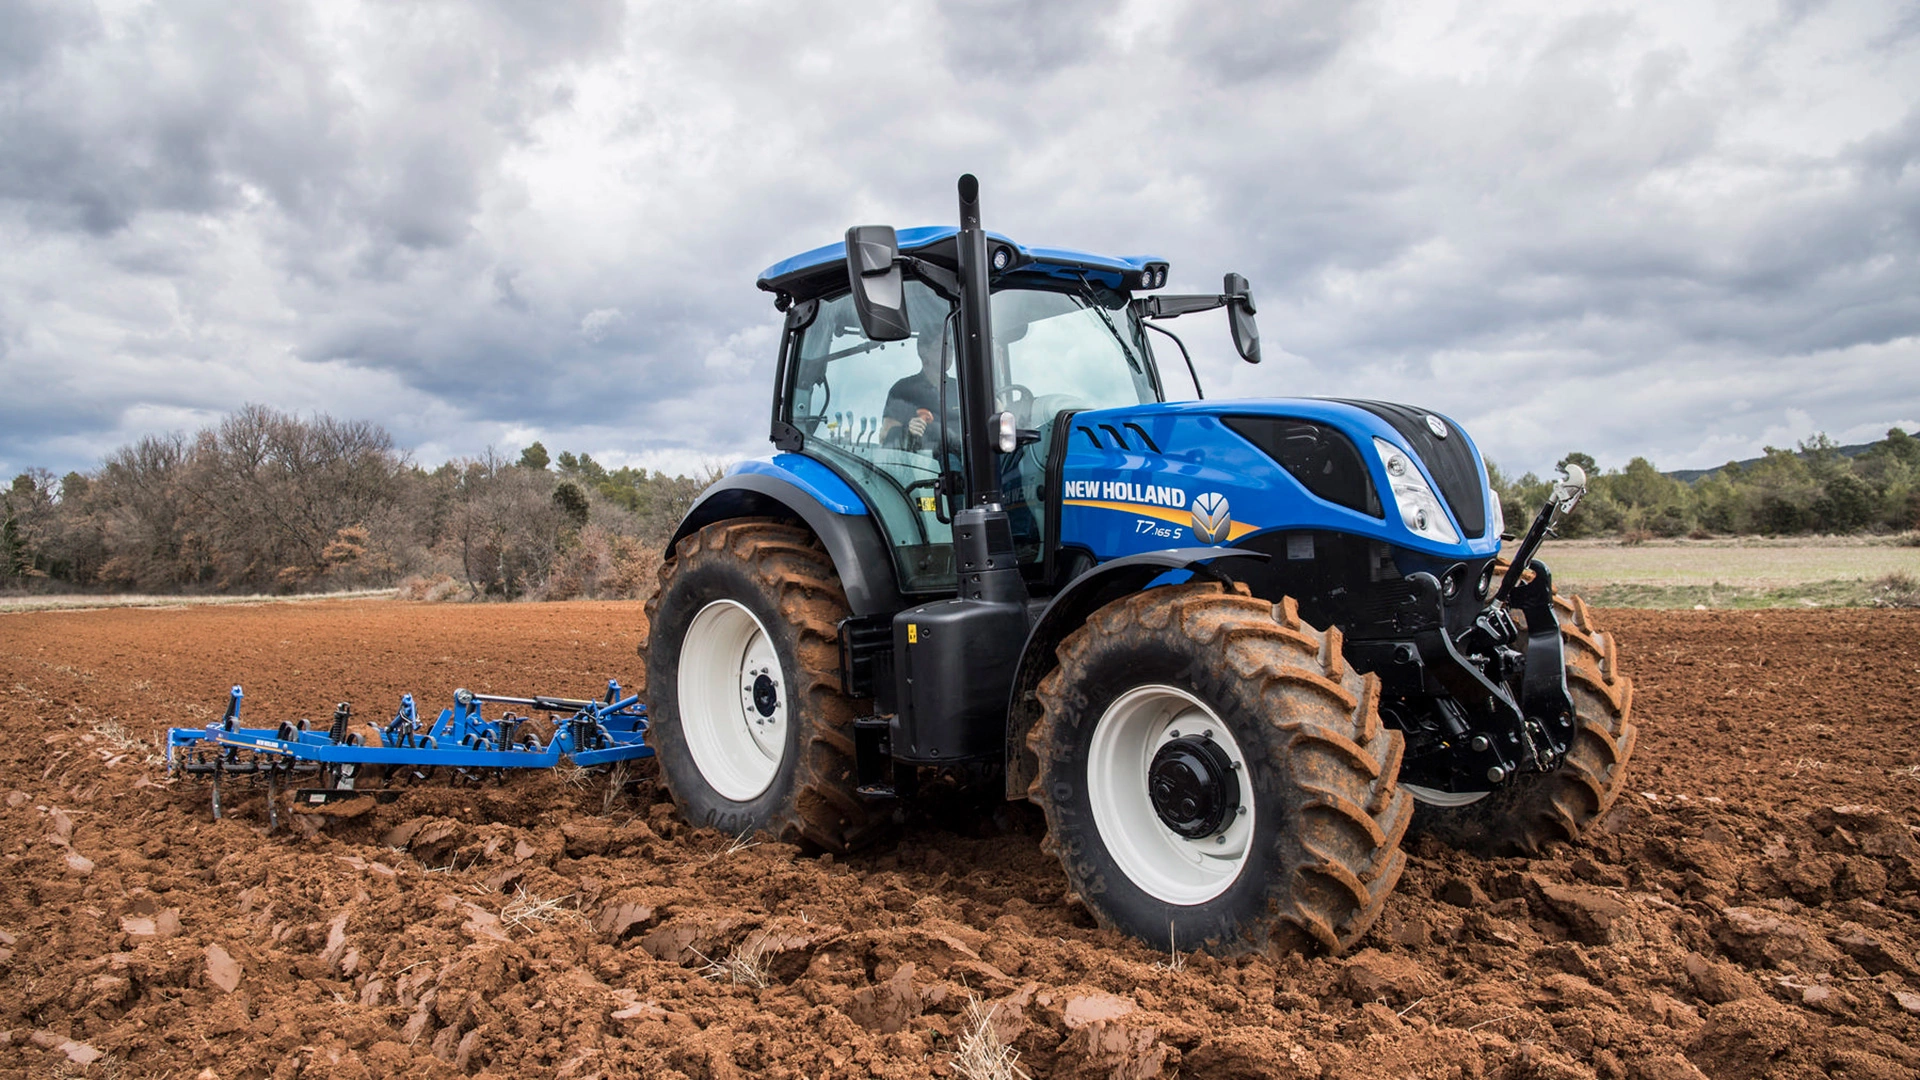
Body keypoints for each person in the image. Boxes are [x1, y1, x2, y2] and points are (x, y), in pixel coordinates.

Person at [879, 328, 956, 451]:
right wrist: (908, 432)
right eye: (942, 345)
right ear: (923, 351)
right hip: (918, 465)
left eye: (951, 346)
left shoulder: (962, 391)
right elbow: (884, 437)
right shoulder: (903, 391)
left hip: (964, 465)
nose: (949, 351)